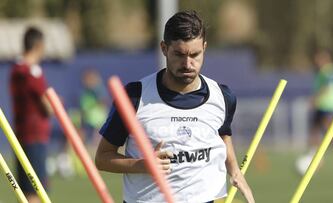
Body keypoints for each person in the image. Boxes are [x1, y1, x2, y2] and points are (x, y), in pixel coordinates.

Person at [95, 10, 255, 203]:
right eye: (179, 54)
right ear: (164, 48)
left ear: (204, 47)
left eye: (195, 54)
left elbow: (223, 135)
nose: (188, 63)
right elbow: (102, 158)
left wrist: (235, 170)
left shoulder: (223, 96)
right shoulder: (134, 96)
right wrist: (142, 165)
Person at [295, 48, 333, 175]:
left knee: (332, 129)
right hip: (322, 105)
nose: (316, 61)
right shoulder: (321, 72)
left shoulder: (329, 71)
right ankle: (314, 157)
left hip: (329, 105)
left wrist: (315, 98)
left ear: (326, 58)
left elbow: (328, 87)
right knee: (315, 130)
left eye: (319, 59)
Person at [9, 27, 52, 203]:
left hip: (20, 134)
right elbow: (47, 107)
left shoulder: (15, 70)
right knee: (35, 190)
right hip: (35, 136)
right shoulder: (31, 71)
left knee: (26, 191)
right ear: (39, 45)